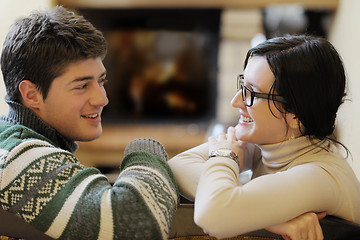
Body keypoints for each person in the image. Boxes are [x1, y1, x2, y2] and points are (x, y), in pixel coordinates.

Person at [0, 6, 179, 240]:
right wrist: (144, 149)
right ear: (31, 94)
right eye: (82, 85)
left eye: (101, 81)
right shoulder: (18, 157)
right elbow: (136, 227)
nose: (102, 99)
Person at [168, 35, 360, 239]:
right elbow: (177, 165)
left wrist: (224, 156)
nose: (236, 101)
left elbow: (212, 215)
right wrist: (261, 211)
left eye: (252, 93)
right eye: (243, 85)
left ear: (296, 115)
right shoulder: (273, 140)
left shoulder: (319, 176)